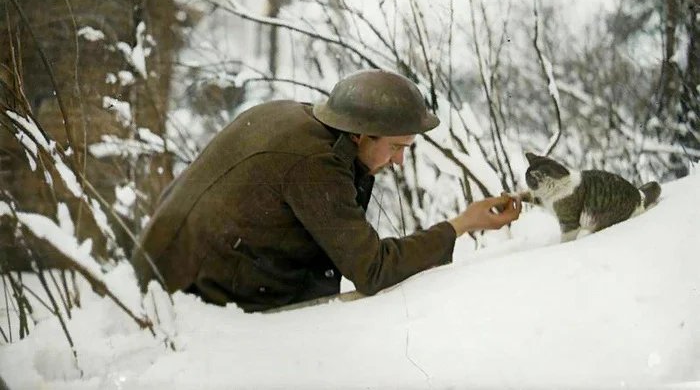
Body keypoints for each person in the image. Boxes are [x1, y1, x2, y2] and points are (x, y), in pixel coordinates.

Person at [131, 69, 521, 312]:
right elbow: (373, 269)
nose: (399, 162)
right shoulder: (314, 163)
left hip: (168, 264)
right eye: (396, 147)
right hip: (192, 298)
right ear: (360, 134)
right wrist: (461, 224)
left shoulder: (302, 118)